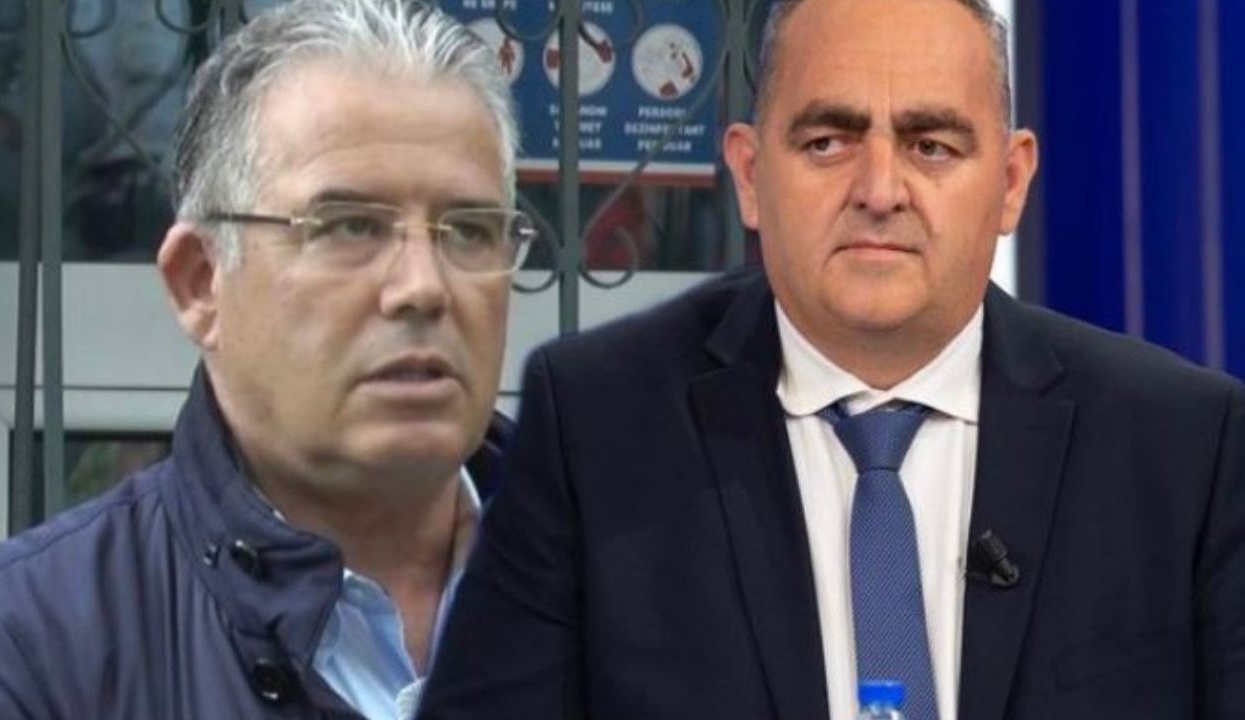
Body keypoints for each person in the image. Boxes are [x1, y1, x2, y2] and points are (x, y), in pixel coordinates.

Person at [418, 0, 1245, 719]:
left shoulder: (1186, 446)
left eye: (930, 146)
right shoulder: (594, 428)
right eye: (826, 142)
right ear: (749, 175)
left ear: (1011, 181)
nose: (879, 190)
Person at [0, 0, 532, 717]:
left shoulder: (643, 596)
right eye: (349, 226)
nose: (423, 287)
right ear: (201, 283)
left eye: (470, 230)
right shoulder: (21, 654)